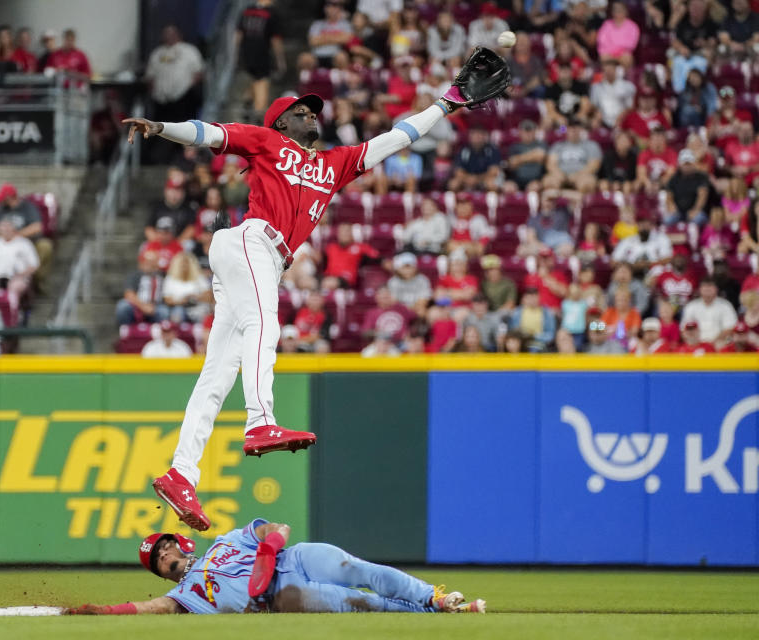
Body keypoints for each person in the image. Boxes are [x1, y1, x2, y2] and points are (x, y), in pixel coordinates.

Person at [123, 81, 490, 528]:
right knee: (266, 325)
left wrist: (444, 105)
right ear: (280, 120)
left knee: (218, 373)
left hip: (259, 259)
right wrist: (162, 128)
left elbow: (398, 137)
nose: (312, 114)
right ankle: (260, 421)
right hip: (251, 241)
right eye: (300, 110)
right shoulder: (267, 140)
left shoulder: (335, 164)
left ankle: (181, 472)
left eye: (314, 110)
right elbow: (211, 133)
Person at [65, 520, 484, 616]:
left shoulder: (225, 540)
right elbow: (149, 608)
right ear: (159, 570)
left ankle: (432, 594)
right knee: (360, 603)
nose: (165, 553)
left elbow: (276, 526)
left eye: (166, 545)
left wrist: (267, 551)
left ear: (180, 542)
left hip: (291, 558)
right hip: (279, 596)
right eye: (159, 556)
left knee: (358, 568)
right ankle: (439, 611)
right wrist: (102, 612)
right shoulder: (182, 594)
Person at [0, 219, 39, 314]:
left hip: (16, 277)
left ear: (14, 228)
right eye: (3, 226)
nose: (6, 229)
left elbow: (34, 264)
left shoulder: (24, 243)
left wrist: (22, 274)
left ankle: (13, 314)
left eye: (8, 226)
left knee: (14, 287)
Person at [235, 0, 286, 119]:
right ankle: (259, 114)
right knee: (262, 83)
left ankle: (247, 98)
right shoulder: (273, 13)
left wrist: (237, 55)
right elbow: (276, 39)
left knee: (254, 79)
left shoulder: (247, 11)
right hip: (262, 54)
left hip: (247, 54)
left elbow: (238, 35)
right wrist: (280, 60)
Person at [145, 25, 204, 125]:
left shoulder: (190, 51)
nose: (169, 36)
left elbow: (199, 72)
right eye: (166, 34)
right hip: (161, 101)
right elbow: (150, 76)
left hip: (183, 99)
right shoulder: (157, 53)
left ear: (179, 34)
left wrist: (188, 89)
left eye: (172, 33)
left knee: (183, 131)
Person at [542, 120, 602, 194]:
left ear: (581, 129)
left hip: (582, 175)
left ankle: (583, 204)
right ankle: (555, 205)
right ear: (566, 130)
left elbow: (593, 165)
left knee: (588, 183)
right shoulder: (558, 145)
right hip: (560, 175)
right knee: (549, 182)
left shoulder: (591, 145)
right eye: (570, 127)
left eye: (576, 127)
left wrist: (577, 175)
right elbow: (551, 164)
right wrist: (560, 175)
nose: (573, 130)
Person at [680, 276, 738, 345]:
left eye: (710, 286)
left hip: (718, 344)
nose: (707, 289)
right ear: (700, 289)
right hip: (696, 344)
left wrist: (712, 344)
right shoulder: (691, 306)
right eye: (704, 286)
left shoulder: (725, 305)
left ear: (716, 289)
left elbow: (730, 328)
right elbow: (683, 329)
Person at [308, 0, 354, 66]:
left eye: (335, 5)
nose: (331, 7)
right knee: (305, 59)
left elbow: (347, 39)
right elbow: (312, 41)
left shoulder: (345, 24)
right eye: (328, 4)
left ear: (340, 8)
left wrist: (322, 38)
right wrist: (337, 37)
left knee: (342, 57)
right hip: (317, 55)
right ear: (324, 8)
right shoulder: (317, 24)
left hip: (336, 54)